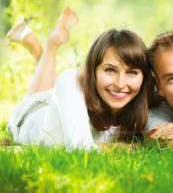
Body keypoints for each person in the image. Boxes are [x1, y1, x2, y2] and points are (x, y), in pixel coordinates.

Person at [7, 8, 153, 149]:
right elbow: (80, 148)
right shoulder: (70, 80)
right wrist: (126, 147)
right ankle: (50, 46)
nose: (121, 84)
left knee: (54, 90)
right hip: (32, 114)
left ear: (144, 75)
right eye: (110, 70)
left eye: (132, 72)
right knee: (38, 97)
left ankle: (40, 50)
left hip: (59, 100)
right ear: (92, 70)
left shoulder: (148, 98)